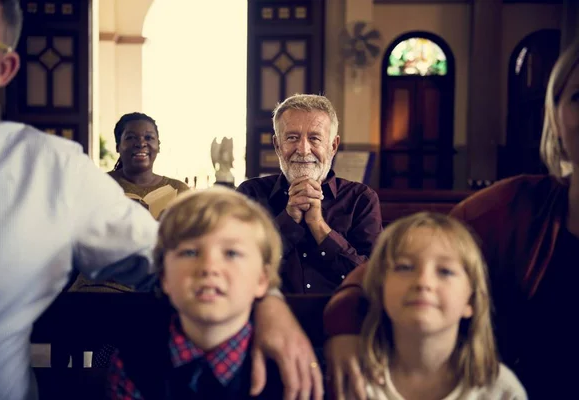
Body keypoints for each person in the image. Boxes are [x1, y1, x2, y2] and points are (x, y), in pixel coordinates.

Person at [0, 1, 323, 399]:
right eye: (131, 138)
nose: (140, 145)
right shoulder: (104, 182)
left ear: (3, 68)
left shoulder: (49, 170)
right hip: (87, 307)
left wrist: (267, 302)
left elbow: (167, 256)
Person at [322, 41, 579, 399]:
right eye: (578, 97)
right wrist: (345, 328)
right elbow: (386, 267)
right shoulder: (508, 209)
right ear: (555, 116)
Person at [108, 188, 288, 399]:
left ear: (262, 279)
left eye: (231, 253)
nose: (209, 267)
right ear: (164, 276)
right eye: (190, 252)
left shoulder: (288, 369)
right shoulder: (134, 361)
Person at [360, 212, 526, 399]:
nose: (423, 282)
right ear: (379, 288)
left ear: (470, 300)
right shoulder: (353, 381)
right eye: (405, 267)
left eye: (445, 271)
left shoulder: (500, 390)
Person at [237, 94, 383, 294]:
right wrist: (288, 220)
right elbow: (240, 269)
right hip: (269, 316)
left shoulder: (361, 199)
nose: (304, 150)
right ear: (277, 145)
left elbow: (373, 278)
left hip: (340, 319)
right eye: (292, 138)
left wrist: (319, 226)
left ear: (333, 146)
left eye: (314, 138)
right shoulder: (250, 195)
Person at [70, 112, 189, 293]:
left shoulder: (180, 191)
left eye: (149, 137)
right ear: (118, 146)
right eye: (131, 137)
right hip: (101, 286)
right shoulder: (97, 185)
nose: (141, 143)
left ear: (158, 145)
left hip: (159, 286)